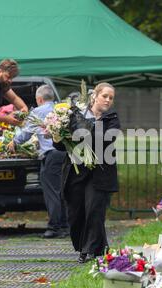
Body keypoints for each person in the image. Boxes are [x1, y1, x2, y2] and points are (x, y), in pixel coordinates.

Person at [53, 82, 120, 264]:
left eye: (111, 97)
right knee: (76, 213)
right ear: (95, 96)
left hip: (99, 173)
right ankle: (91, 247)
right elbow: (60, 145)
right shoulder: (75, 114)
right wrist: (56, 134)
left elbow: (103, 139)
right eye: (104, 95)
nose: (107, 100)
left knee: (94, 211)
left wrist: (80, 128)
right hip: (75, 171)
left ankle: (89, 250)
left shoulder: (111, 119)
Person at [9, 85, 68, 239]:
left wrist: (14, 142)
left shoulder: (37, 112)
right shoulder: (60, 110)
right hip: (65, 155)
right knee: (62, 191)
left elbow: (26, 133)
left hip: (51, 155)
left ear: (39, 99)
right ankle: (65, 225)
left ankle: (54, 227)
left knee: (52, 192)